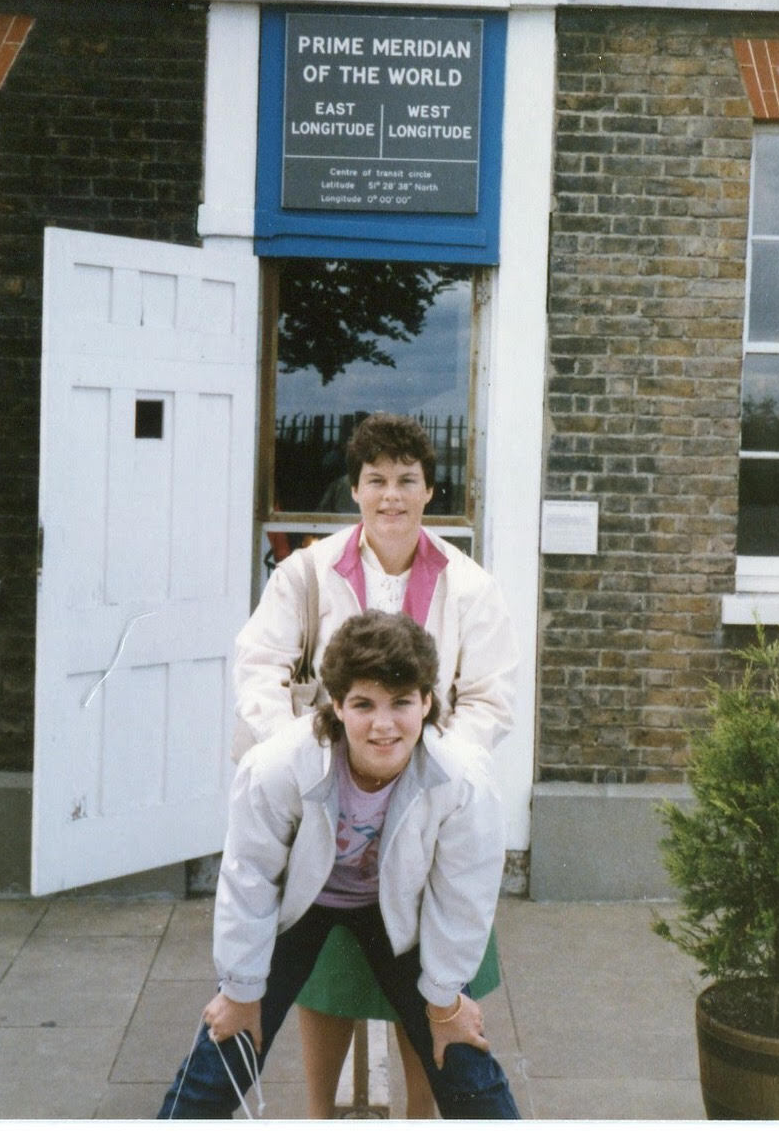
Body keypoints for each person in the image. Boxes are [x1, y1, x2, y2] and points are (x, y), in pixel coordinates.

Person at [233, 412, 519, 1117]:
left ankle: (419, 1116)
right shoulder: (306, 574)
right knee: (327, 977)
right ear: (355, 491)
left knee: (429, 970)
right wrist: (313, 752)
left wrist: (430, 760)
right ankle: (320, 1115)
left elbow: (489, 697)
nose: (392, 495)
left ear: (430, 491)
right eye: (376, 480)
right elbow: (258, 669)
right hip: (332, 799)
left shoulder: (470, 585)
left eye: (407, 481)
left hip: (424, 800)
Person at [158, 611, 520, 1120]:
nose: (383, 724)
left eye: (401, 703)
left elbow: (464, 895)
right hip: (304, 905)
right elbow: (249, 878)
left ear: (428, 702)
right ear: (336, 705)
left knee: (460, 1051)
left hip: (396, 909)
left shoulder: (462, 778)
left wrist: (444, 1002)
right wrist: (239, 991)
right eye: (363, 704)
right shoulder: (279, 765)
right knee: (228, 1040)